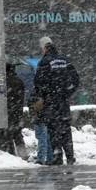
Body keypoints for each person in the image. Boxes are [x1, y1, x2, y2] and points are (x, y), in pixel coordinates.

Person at [33, 36, 79, 165]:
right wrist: (67, 92)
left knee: (54, 130)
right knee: (65, 129)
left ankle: (57, 156)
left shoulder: (44, 62)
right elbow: (75, 79)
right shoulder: (65, 60)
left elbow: (38, 82)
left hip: (51, 102)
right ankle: (70, 157)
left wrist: (44, 96)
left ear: (44, 48)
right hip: (63, 101)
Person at [5, 63, 27, 159]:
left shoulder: (5, 81)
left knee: (8, 134)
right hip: (18, 110)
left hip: (7, 110)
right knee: (17, 133)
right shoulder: (19, 81)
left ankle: (11, 154)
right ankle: (23, 154)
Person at [28, 88, 53, 165]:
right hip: (45, 117)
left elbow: (31, 103)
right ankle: (50, 158)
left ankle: (41, 159)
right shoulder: (49, 91)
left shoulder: (38, 92)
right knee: (46, 138)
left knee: (42, 138)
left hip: (40, 118)